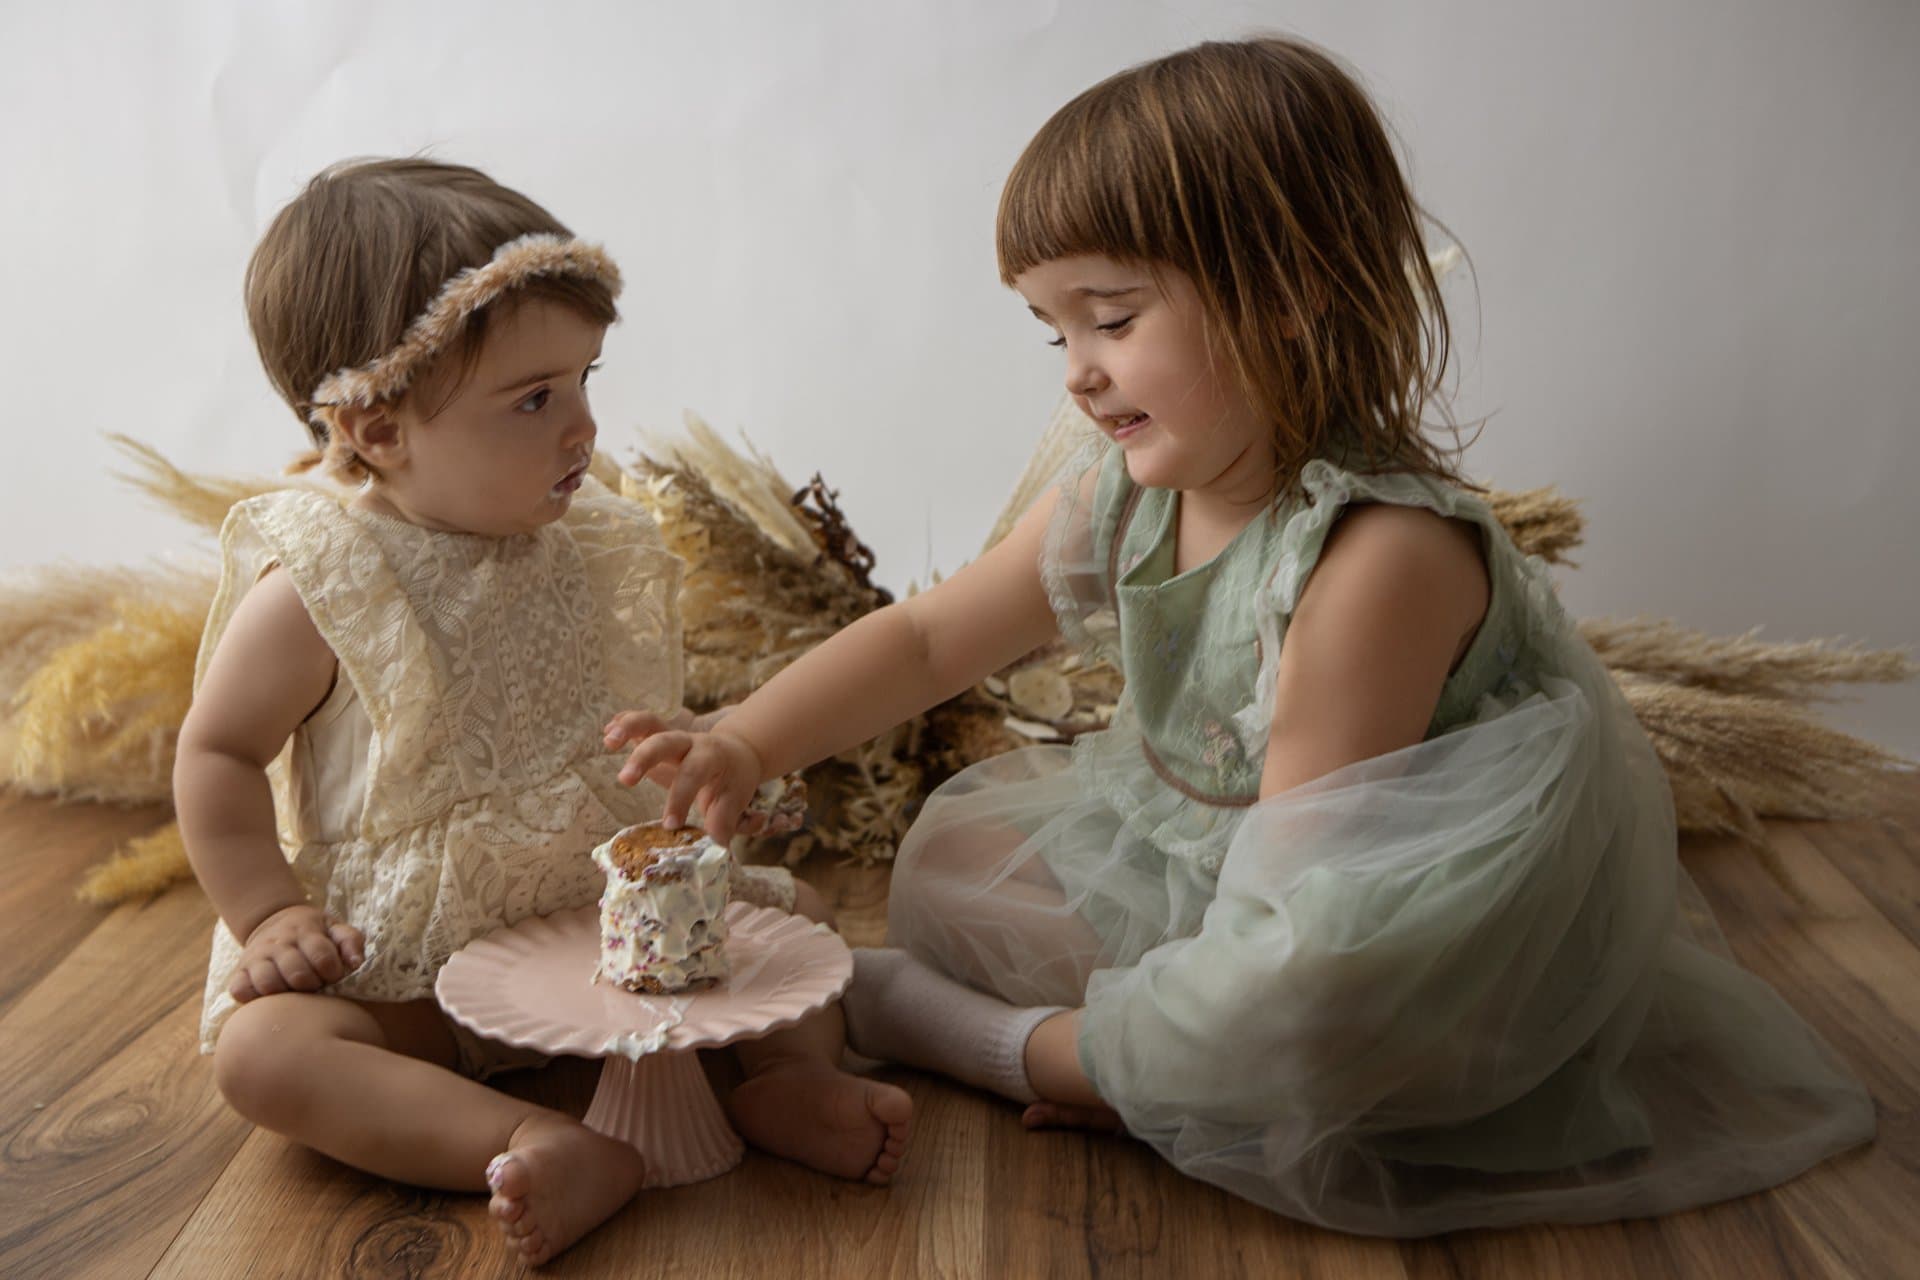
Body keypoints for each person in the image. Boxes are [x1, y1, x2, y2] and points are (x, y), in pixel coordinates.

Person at [605, 37, 1873, 1233]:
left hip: (1375, 909)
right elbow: (936, 638)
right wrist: (746, 735)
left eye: (1113, 317)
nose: (1077, 372)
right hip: (1233, 853)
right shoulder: (1133, 489)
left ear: (1291, 294)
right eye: (1056, 331)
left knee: (1299, 1018)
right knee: (957, 863)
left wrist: (1189, 1020)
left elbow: (1310, 911)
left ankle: (1010, 1047)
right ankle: (1145, 1053)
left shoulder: (1374, 558)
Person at [177, 158, 909, 1268]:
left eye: (583, 380)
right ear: (377, 429)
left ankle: (788, 1081)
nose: (584, 427)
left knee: (795, 914)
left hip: (586, 928)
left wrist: (697, 781)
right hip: (407, 970)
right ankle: (524, 1136)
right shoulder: (328, 582)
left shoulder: (584, 541)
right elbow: (220, 749)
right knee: (268, 1052)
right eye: (534, 398)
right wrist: (270, 912)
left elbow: (610, 725)